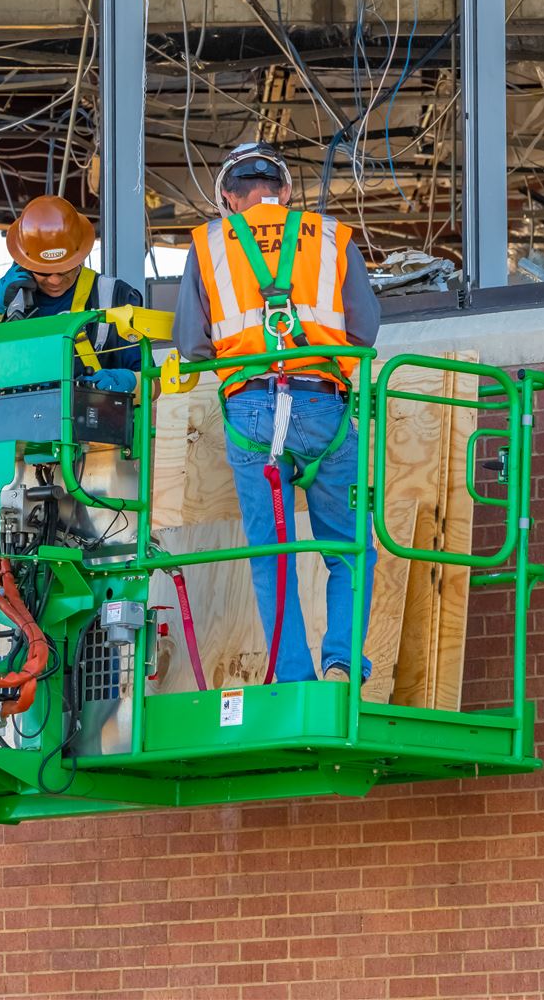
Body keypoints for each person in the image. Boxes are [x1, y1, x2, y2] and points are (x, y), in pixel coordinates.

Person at [173, 143, 381, 683]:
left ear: (227, 198)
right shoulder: (333, 238)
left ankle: (292, 677)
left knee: (273, 555)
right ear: (285, 192)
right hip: (324, 407)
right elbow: (364, 330)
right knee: (350, 549)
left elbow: (192, 347)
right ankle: (341, 661)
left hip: (251, 414)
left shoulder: (208, 243)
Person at [0, 195, 144, 391]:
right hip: (11, 417)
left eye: (65, 269)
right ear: (24, 261)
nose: (55, 280)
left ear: (81, 255)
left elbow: (153, 384)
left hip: (95, 418)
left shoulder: (116, 297)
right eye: (44, 272)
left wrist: (131, 383)